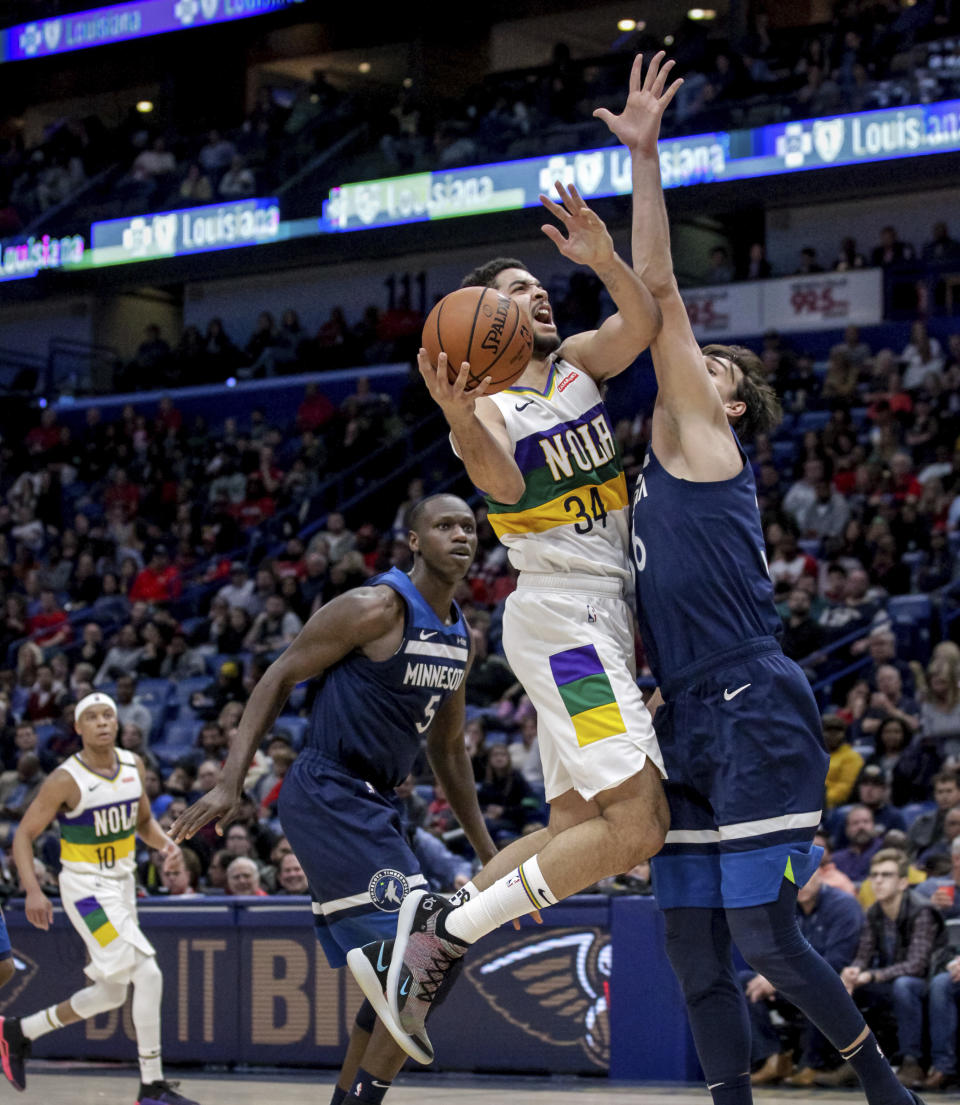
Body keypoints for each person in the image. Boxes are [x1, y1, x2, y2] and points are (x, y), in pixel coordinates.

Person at [589, 51, 914, 1105]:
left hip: (753, 701)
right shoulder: (645, 477)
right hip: (686, 709)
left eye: (713, 368)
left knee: (759, 930)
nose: (695, 365)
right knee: (687, 940)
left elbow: (662, 293)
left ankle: (882, 1086)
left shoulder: (702, 444)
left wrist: (644, 160)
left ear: (729, 407)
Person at [371, 83, 669, 1065]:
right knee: (639, 828)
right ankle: (450, 935)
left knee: (578, 824)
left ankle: (443, 920)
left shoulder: (577, 361)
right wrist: (459, 414)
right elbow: (494, 480)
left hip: (594, 620)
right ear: (480, 332)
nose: (532, 295)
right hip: (567, 625)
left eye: (533, 287)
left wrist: (604, 257)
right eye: (508, 295)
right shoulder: (492, 414)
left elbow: (644, 327)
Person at [171, 495, 498, 1104]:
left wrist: (489, 851)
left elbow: (449, 752)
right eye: (444, 525)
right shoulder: (375, 607)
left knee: (414, 969)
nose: (461, 535)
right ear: (415, 541)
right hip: (328, 789)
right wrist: (229, 779)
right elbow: (278, 674)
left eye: (468, 527)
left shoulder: (459, 639)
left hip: (375, 805)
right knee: (430, 949)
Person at [0, 691, 200, 1105]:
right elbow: (22, 836)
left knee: (112, 992)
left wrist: (164, 846)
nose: (102, 722)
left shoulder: (133, 764)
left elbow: (142, 821)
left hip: (122, 887)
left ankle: (19, 1032)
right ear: (78, 728)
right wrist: (34, 890)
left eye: (107, 714)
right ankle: (151, 1087)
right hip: (87, 892)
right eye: (92, 717)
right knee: (147, 973)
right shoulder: (65, 778)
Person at [836, 849, 947, 1090]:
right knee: (846, 987)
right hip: (893, 979)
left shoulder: (921, 910)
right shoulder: (875, 911)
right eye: (874, 875)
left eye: (886, 875)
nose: (877, 880)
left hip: (929, 981)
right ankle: (856, 1061)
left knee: (904, 985)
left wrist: (872, 975)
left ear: (903, 882)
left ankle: (912, 1063)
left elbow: (917, 965)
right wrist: (854, 971)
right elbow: (863, 955)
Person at [743, 867, 864, 1086]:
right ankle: (773, 1057)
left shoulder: (843, 905)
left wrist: (778, 979)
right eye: (795, 879)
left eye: (807, 877)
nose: (802, 883)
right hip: (790, 983)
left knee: (817, 987)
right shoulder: (785, 906)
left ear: (821, 876)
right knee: (744, 982)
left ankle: (812, 1064)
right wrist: (769, 976)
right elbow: (771, 951)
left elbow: (837, 961)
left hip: (836, 982)